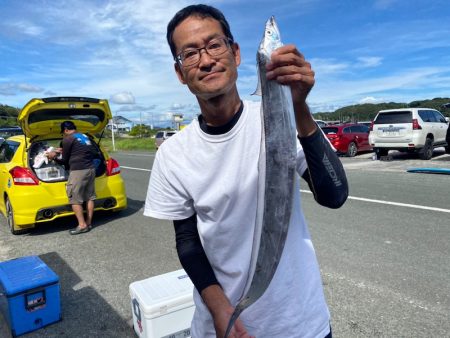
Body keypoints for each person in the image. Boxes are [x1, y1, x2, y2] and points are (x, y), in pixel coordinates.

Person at [144, 4, 348, 338]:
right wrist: (221, 310)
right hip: (222, 327)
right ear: (180, 73)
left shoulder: (278, 117)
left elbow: (334, 195)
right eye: (190, 53)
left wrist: (299, 108)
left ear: (236, 53)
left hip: (300, 323)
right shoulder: (172, 154)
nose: (207, 60)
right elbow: (188, 242)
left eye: (214, 45)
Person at [47, 121, 96, 235]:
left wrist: (53, 157)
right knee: (90, 197)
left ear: (65, 130)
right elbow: (85, 151)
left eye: (63, 133)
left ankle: (82, 225)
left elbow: (64, 160)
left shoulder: (68, 139)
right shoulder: (84, 136)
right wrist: (61, 150)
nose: (64, 135)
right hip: (91, 169)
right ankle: (88, 223)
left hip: (78, 171)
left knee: (74, 198)